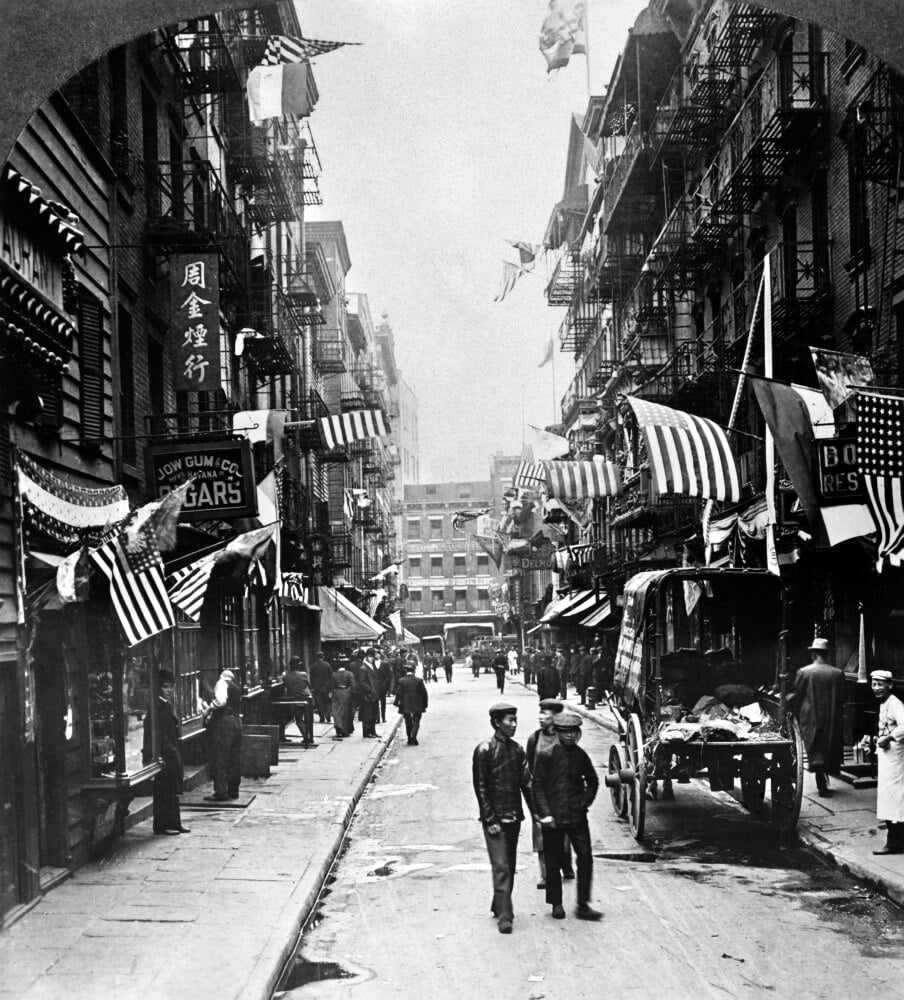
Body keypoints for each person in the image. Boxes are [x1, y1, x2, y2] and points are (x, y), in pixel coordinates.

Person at [471, 701, 534, 934]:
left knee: (510, 864)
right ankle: (506, 916)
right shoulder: (484, 750)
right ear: (497, 722)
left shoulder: (517, 750)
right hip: (495, 820)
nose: (514, 725)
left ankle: (498, 903)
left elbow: (527, 783)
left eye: (516, 720)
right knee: (501, 866)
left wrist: (538, 813)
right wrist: (490, 819)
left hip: (513, 817)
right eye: (510, 720)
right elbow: (481, 787)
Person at [532, 711, 601, 921]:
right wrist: (545, 813)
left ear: (577, 733)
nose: (569, 736)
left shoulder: (581, 756)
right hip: (553, 818)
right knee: (552, 861)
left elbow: (593, 780)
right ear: (557, 732)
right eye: (564, 732)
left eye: (572, 732)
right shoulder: (545, 755)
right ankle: (556, 903)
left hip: (576, 817)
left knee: (586, 858)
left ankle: (583, 905)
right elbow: (537, 786)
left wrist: (584, 803)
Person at [526, 699, 576, 889]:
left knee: (563, 832)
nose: (541, 718)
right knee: (541, 833)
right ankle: (546, 874)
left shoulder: (564, 738)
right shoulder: (534, 739)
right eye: (540, 714)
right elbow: (530, 765)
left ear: (555, 717)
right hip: (541, 792)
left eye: (545, 715)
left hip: (562, 792)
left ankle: (566, 863)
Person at [787, 637, 846, 796]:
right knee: (828, 746)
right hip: (832, 717)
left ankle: (821, 781)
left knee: (815, 748)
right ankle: (823, 780)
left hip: (811, 717)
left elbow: (798, 696)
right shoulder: (838, 673)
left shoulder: (804, 672)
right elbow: (843, 697)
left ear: (813, 654)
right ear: (826, 654)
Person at [143, 670, 189, 835]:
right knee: (164, 790)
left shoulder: (165, 705)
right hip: (163, 755)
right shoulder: (157, 707)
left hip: (170, 753)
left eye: (171, 687)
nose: (169, 690)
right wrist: (171, 751)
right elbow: (160, 734)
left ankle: (175, 823)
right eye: (165, 687)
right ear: (158, 688)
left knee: (173, 789)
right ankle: (162, 825)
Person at [871, 670, 904, 855]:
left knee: (893, 798)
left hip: (895, 758)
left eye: (880, 684)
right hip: (887, 757)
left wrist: (889, 738)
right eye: (874, 684)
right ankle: (896, 841)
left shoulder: (895, 703)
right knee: (888, 797)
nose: (876, 688)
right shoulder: (885, 703)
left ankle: (894, 842)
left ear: (889, 685)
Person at [203, 667, 243, 802]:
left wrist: (208, 710)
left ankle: (220, 792)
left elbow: (221, 701)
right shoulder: (236, 688)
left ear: (221, 676)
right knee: (234, 758)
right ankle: (233, 790)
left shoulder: (221, 683)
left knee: (220, 757)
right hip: (237, 722)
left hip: (224, 723)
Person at [395, 662, 429, 745]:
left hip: (405, 704)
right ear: (414, 670)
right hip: (417, 704)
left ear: (406, 670)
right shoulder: (419, 680)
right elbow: (424, 694)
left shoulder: (401, 680)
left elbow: (398, 693)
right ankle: (414, 736)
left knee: (408, 721)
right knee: (416, 721)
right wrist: (425, 704)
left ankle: (409, 738)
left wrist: (396, 703)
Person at [282, 657, 312, 742]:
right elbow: (309, 685)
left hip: (295, 701)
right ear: (299, 666)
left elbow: (286, 688)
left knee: (299, 720)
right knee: (308, 719)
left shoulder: (285, 677)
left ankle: (306, 736)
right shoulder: (303, 674)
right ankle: (309, 737)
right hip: (307, 699)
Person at [358, 647, 381, 739]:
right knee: (367, 715)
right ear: (366, 657)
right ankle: (367, 733)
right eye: (370, 657)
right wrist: (370, 690)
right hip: (367, 696)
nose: (372, 659)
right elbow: (362, 683)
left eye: (373, 657)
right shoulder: (363, 668)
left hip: (374, 695)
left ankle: (373, 731)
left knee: (373, 714)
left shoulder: (372, 666)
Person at [331, 659, 357, 738]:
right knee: (346, 712)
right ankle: (346, 730)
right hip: (346, 693)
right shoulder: (349, 674)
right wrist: (352, 693)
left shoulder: (333, 674)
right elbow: (353, 686)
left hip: (337, 693)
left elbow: (331, 686)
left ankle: (338, 729)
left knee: (337, 712)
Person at [310, 650, 334, 724]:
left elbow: (311, 678)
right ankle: (328, 717)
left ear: (317, 657)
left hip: (317, 688)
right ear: (323, 657)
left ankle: (322, 717)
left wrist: (313, 686)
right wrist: (331, 687)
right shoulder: (328, 665)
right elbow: (331, 677)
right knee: (327, 702)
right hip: (327, 687)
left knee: (319, 703)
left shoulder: (313, 666)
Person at [377, 649, 394, 723]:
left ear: (380, 655)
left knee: (383, 702)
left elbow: (389, 675)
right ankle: (377, 718)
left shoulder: (385, 664)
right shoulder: (371, 664)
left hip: (383, 686)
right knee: (375, 703)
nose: (376, 655)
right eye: (375, 654)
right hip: (374, 686)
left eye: (378, 654)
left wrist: (387, 686)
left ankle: (383, 717)